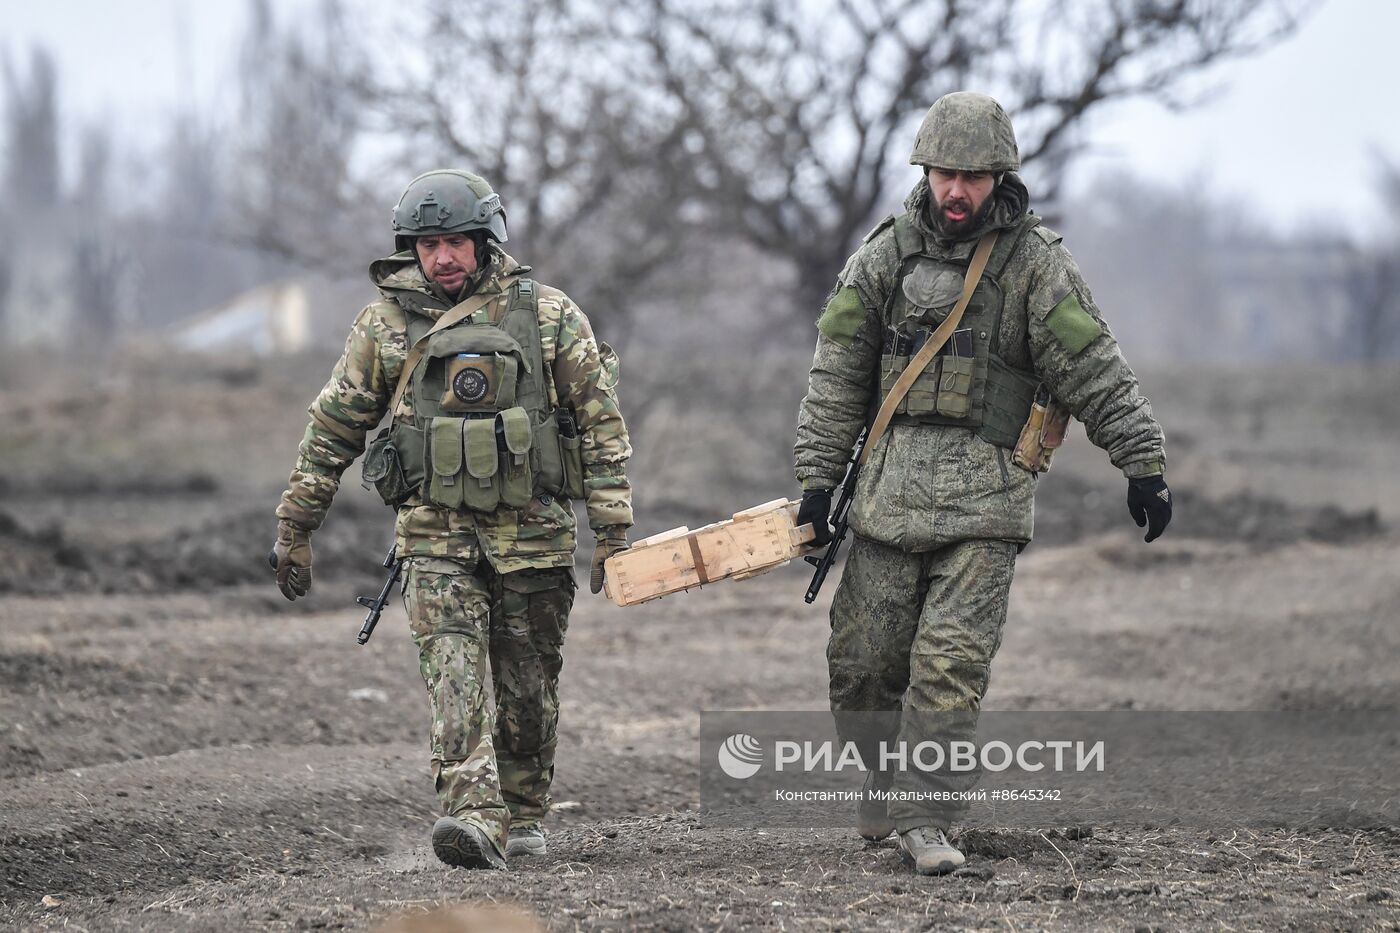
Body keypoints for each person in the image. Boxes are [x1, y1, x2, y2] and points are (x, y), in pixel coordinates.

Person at [793, 92, 1171, 875]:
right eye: (943, 174)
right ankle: (881, 774)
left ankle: (927, 818)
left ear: (999, 176)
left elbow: (1092, 365)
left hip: (986, 505)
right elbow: (836, 376)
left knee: (948, 667)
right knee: (861, 664)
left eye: (971, 175)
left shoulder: (1035, 264)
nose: (955, 190)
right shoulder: (883, 257)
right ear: (924, 172)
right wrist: (817, 484)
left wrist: (1142, 462)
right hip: (890, 501)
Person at [268, 169, 633, 870]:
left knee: (529, 688)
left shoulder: (549, 315)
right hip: (434, 539)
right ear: (412, 247)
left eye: (456, 242)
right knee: (454, 676)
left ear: (484, 241)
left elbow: (600, 423)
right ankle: (474, 814)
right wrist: (296, 525)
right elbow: (334, 427)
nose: (443, 258)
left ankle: (523, 810)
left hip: (534, 539)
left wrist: (613, 530)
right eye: (429, 243)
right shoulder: (383, 326)